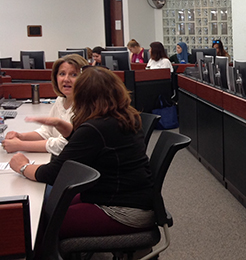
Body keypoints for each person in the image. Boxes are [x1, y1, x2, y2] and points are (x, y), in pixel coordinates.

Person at [8, 66, 154, 239]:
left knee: (38, 225)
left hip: (121, 211)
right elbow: (87, 144)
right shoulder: (124, 117)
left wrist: (23, 167)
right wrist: (63, 127)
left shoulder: (95, 128)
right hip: (134, 200)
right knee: (51, 204)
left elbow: (54, 174)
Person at [2, 55, 88, 155]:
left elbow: (63, 145)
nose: (66, 79)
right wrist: (21, 136)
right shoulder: (61, 99)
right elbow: (47, 132)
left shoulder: (86, 105)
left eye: (73, 75)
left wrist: (20, 145)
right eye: (62, 74)